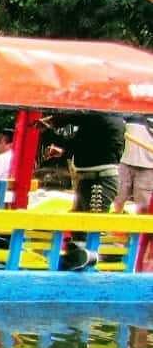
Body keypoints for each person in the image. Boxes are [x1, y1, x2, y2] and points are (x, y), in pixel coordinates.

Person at [42, 112, 126, 269]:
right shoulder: (96, 122)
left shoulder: (103, 117)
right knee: (79, 227)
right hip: (88, 178)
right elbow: (84, 141)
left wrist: (53, 121)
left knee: (95, 227)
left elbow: (79, 119)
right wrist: (64, 150)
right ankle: (81, 257)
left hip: (100, 180)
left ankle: (100, 255)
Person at [114, 118, 153, 214]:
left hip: (148, 166)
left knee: (143, 205)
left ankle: (142, 228)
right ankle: (114, 226)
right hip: (125, 162)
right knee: (118, 198)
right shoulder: (129, 114)